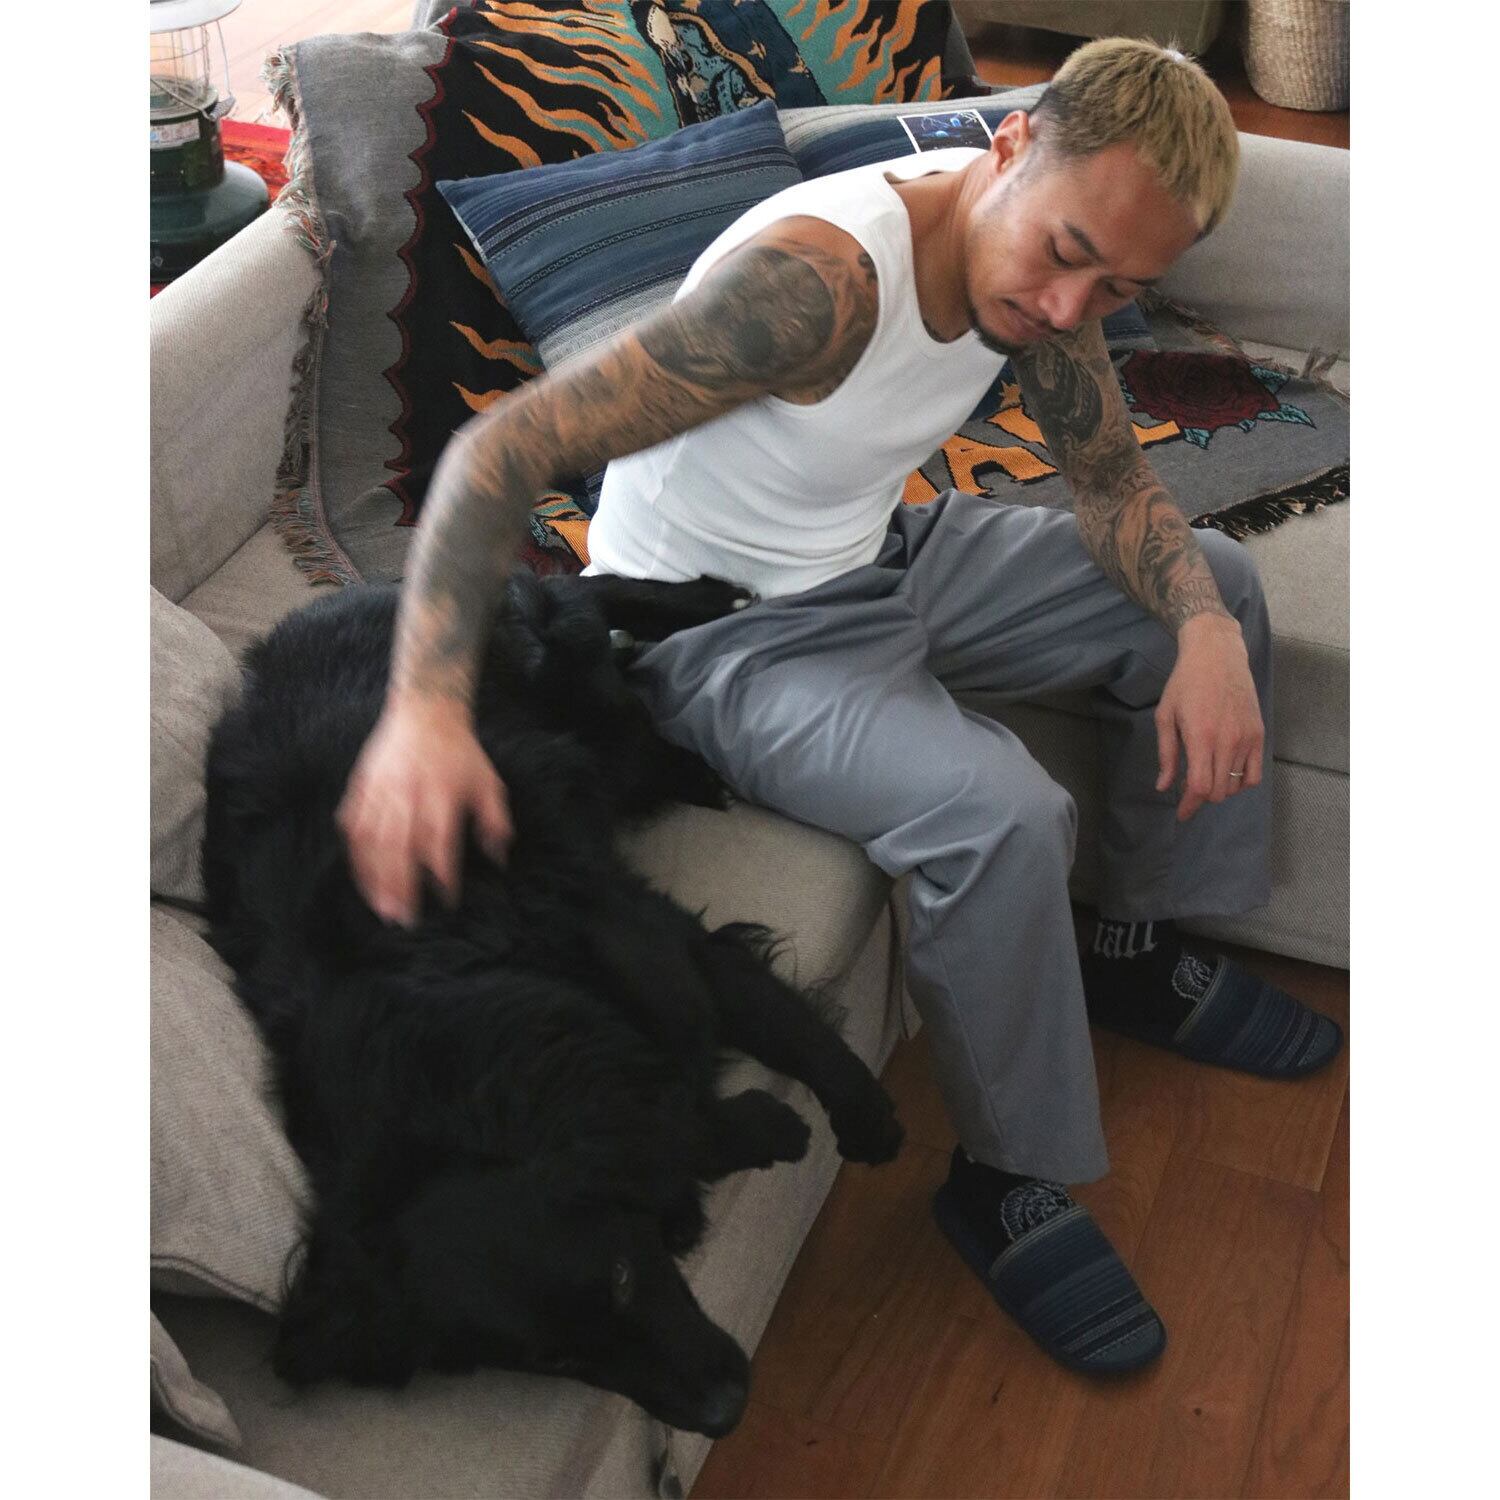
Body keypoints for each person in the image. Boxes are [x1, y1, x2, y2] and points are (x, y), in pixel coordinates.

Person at [337, 38, 1343, 1374]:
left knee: (1210, 583)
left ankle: (1133, 947)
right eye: (1067, 254)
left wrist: (1204, 629)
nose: (1070, 305)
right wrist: (423, 712)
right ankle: (1006, 1181)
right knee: (1000, 811)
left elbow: (1108, 481)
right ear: (1006, 149)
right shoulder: (814, 290)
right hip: (719, 631)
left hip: (873, 549)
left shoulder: (1047, 282)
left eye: (1118, 287)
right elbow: (498, 453)